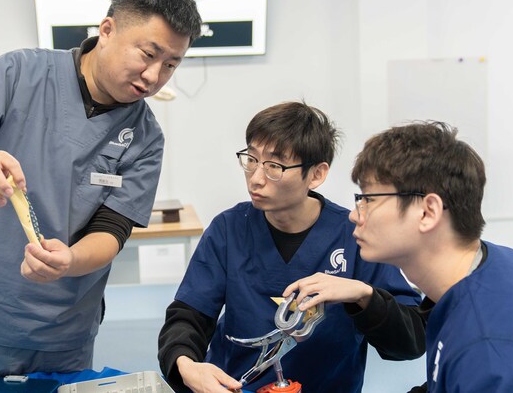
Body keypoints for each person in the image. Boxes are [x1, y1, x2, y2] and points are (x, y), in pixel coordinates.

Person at [0, 0, 202, 385]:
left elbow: (112, 230)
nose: (154, 76)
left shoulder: (146, 138)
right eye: (148, 54)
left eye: (170, 65)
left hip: (62, 334)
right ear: (108, 30)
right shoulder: (22, 73)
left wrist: (71, 261)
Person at [157, 102, 426, 393]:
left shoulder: (355, 237)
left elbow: (410, 342)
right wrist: (186, 363)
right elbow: (188, 317)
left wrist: (363, 296)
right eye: (251, 159)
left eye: (275, 166)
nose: (256, 178)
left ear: (317, 174)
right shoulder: (229, 229)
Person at [342, 121, 513, 392]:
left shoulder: (493, 352)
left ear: (428, 212)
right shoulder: (490, 265)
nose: (354, 214)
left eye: (368, 200)